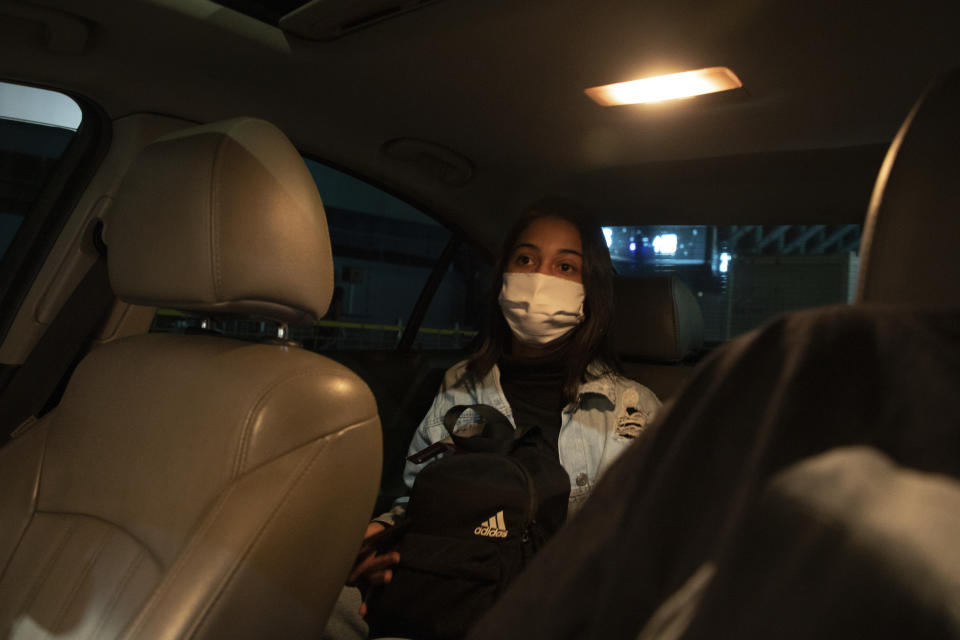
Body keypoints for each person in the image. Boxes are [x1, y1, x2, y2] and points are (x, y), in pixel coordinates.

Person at [323, 198, 661, 639]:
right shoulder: (459, 386)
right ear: (504, 275)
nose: (539, 278)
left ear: (590, 290)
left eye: (564, 267)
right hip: (452, 596)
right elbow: (420, 500)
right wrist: (382, 537)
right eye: (526, 259)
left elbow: (654, 548)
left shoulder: (632, 408)